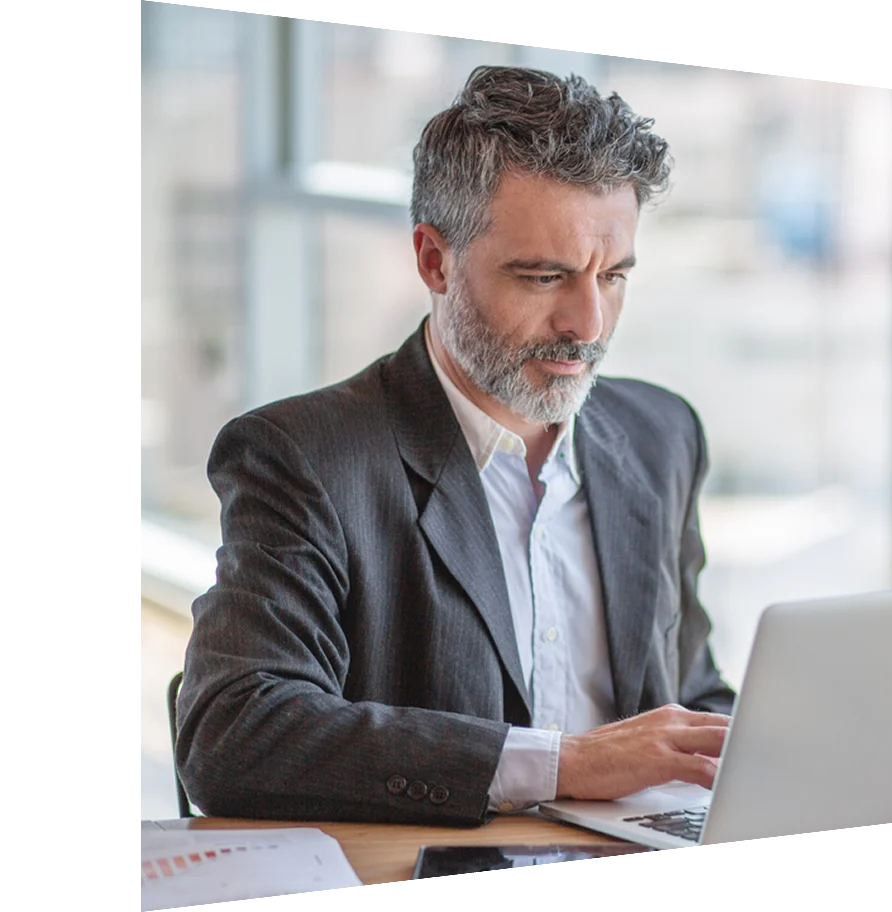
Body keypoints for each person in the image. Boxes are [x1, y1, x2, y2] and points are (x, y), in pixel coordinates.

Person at [176, 65, 736, 826]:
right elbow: (234, 734)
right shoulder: (304, 458)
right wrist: (565, 764)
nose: (589, 324)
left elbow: (691, 697)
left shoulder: (661, 435)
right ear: (434, 261)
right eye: (545, 277)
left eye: (613, 277)